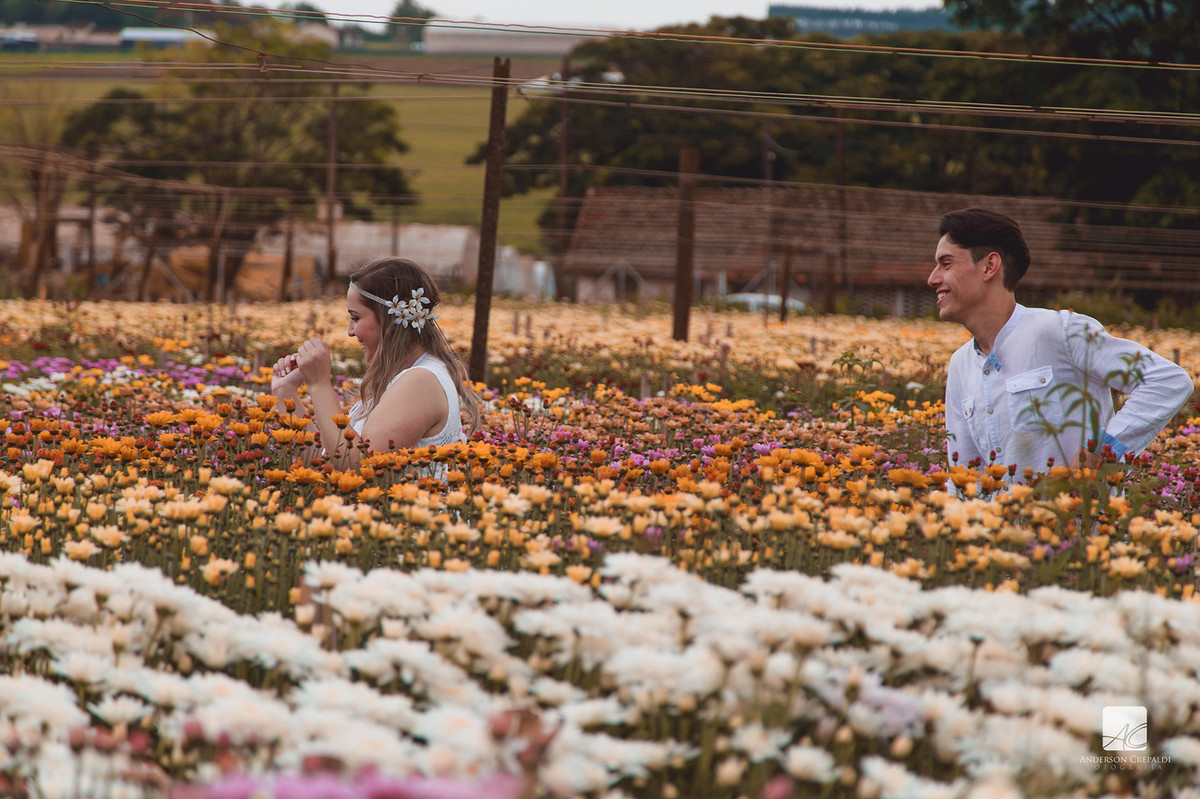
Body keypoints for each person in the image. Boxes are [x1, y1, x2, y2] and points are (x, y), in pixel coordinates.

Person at [928, 208, 1193, 481]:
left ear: (989, 266)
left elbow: (1166, 380)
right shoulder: (961, 364)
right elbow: (964, 477)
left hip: (1077, 520)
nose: (932, 278)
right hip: (1003, 523)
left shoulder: (1060, 331)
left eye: (945, 264)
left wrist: (1103, 450)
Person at [270, 257, 481, 467]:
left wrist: (319, 384)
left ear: (388, 319)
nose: (350, 331)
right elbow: (326, 460)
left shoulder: (421, 381)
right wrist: (285, 394)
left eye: (355, 318)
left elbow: (357, 468)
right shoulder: (405, 376)